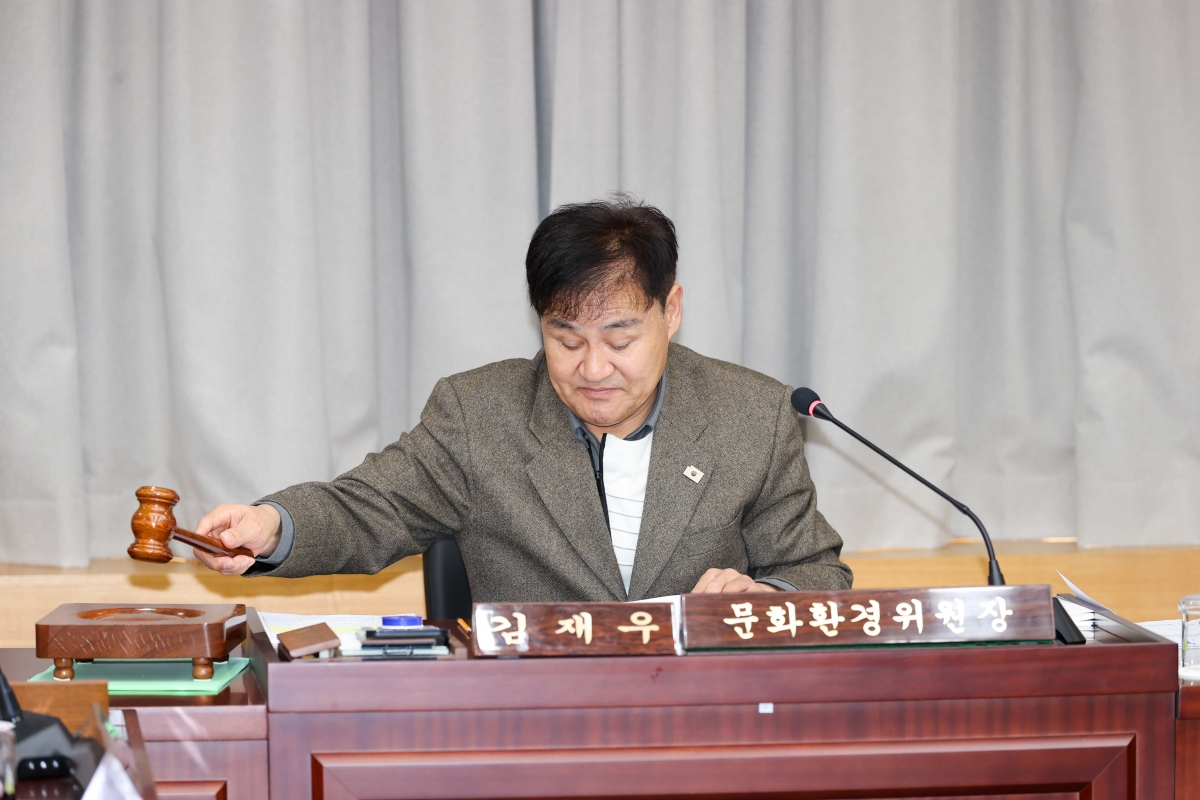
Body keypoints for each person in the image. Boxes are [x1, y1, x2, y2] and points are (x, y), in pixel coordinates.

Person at [192, 197, 852, 599]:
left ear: (671, 311)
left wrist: (765, 596)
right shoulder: (478, 414)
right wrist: (273, 525)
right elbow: (368, 509)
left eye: (620, 339)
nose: (593, 368)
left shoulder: (752, 415)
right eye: (566, 338)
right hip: (531, 727)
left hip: (700, 730)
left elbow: (816, 573)